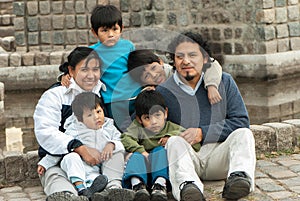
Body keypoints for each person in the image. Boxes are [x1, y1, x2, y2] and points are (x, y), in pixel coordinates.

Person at [155, 32, 256, 201]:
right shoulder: (163, 91)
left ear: (205, 58)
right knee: (174, 142)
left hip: (219, 155)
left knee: (244, 134)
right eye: (180, 56)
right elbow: (146, 124)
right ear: (174, 60)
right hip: (188, 159)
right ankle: (189, 187)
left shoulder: (224, 82)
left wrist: (202, 132)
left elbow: (241, 121)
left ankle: (239, 179)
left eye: (192, 55)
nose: (186, 61)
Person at [33, 47, 133, 201]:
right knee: (56, 176)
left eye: (95, 69)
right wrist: (79, 148)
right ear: (71, 71)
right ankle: (67, 195)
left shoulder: (102, 94)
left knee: (116, 153)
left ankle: (113, 189)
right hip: (62, 157)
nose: (91, 75)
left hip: (99, 159)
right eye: (84, 70)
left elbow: (114, 128)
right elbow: (45, 131)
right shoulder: (55, 95)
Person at [59, 4, 140, 130]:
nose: (111, 34)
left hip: (134, 96)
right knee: (122, 131)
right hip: (112, 101)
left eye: (115, 29)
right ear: (94, 32)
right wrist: (65, 76)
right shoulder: (91, 52)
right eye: (105, 30)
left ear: (122, 28)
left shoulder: (128, 46)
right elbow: (76, 67)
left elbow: (137, 67)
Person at [37, 92, 127, 200]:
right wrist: (45, 163)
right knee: (71, 157)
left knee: (116, 154)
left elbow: (120, 141)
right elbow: (61, 147)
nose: (96, 117)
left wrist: (112, 144)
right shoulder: (74, 130)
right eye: (90, 115)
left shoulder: (109, 127)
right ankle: (81, 190)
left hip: (97, 170)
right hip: (77, 168)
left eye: (99, 111)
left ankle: (109, 190)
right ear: (80, 119)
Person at [121, 90, 201, 201]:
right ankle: (137, 187)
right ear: (139, 120)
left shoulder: (172, 127)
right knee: (135, 156)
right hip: (143, 167)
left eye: (157, 115)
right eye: (147, 118)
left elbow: (195, 144)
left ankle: (160, 186)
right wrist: (141, 151)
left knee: (159, 151)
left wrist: (170, 137)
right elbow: (125, 138)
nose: (154, 122)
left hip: (162, 170)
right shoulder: (137, 128)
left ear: (166, 113)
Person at [127, 49, 223, 105]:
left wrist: (211, 86)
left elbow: (211, 63)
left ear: (160, 62)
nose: (154, 75)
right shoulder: (153, 90)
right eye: (147, 76)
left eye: (153, 68)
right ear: (143, 82)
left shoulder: (177, 69)